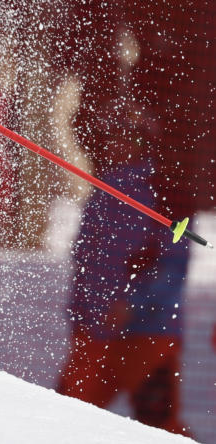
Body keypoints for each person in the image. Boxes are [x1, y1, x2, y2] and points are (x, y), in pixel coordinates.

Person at [56, 100, 191, 436]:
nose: (117, 144)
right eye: (111, 137)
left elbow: (174, 264)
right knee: (64, 413)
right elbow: (85, 258)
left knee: (157, 421)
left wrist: (133, 302)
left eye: (128, 138)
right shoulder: (102, 189)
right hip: (96, 327)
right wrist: (84, 308)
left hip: (149, 331)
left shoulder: (166, 190)